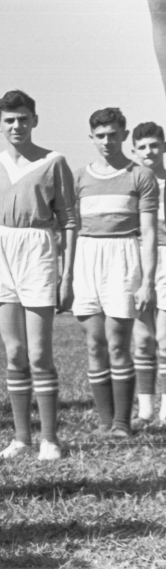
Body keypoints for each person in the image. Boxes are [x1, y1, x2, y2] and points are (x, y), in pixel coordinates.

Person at [0, 90, 77, 461]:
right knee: (15, 352)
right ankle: (21, 438)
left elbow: (68, 221)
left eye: (23, 118)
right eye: (9, 120)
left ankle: (49, 439)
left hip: (38, 249)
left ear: (34, 120)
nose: (17, 125)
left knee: (39, 352)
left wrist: (67, 277)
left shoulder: (54, 162)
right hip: (0, 252)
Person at [73, 108, 158, 438]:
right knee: (95, 344)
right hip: (87, 255)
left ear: (125, 135)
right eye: (101, 135)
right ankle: (104, 421)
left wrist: (147, 281)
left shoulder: (140, 176)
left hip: (124, 255)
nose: (107, 141)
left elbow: (149, 232)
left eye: (113, 134)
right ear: (91, 138)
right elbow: (69, 227)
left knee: (119, 343)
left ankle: (122, 423)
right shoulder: (79, 177)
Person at [131, 121, 166, 424]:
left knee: (165, 338)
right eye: (142, 147)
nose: (149, 151)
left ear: (164, 146)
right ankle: (145, 408)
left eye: (154, 145)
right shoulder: (133, 182)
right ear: (134, 151)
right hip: (137, 258)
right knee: (143, 339)